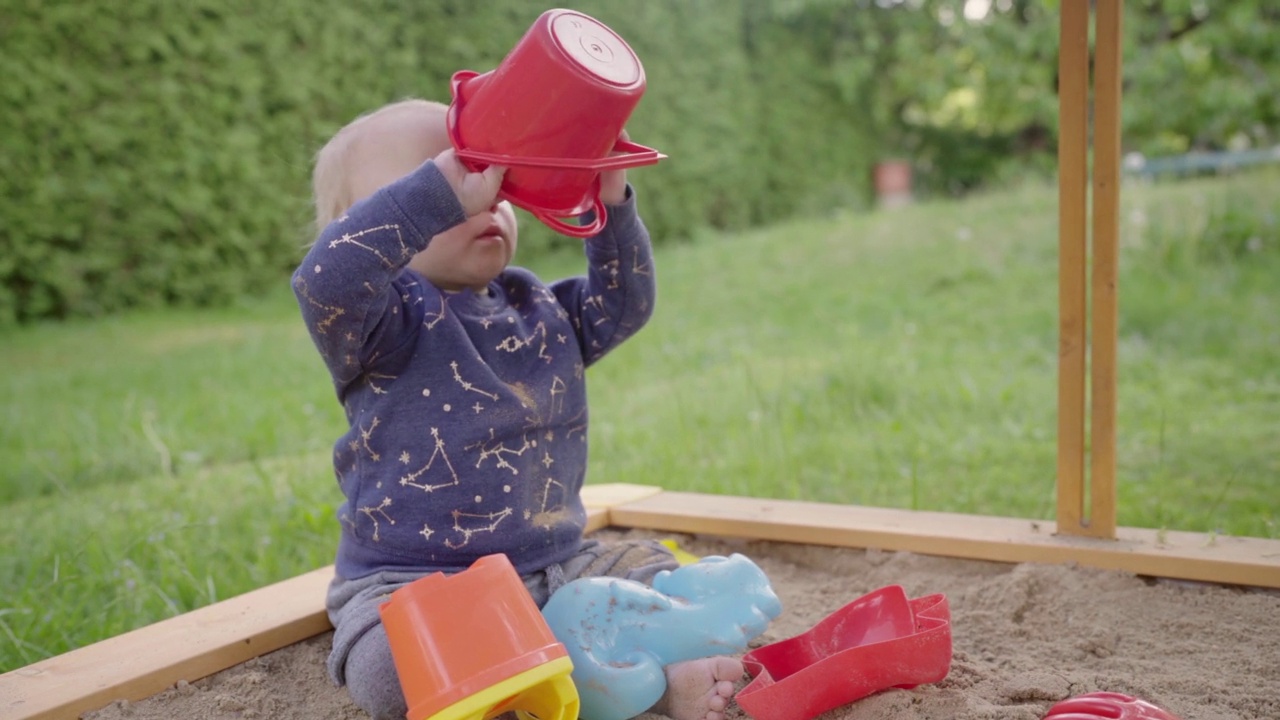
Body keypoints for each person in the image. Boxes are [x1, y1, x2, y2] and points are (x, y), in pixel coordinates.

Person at [293, 98, 745, 720]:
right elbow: (326, 279)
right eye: (448, 184)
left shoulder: (533, 305)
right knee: (395, 669)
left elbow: (624, 305)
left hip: (556, 562)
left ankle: (651, 682)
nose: (482, 199)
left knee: (650, 576)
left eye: (491, 177)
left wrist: (610, 205)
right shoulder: (379, 322)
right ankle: (547, 679)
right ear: (365, 224)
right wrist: (435, 198)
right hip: (417, 581)